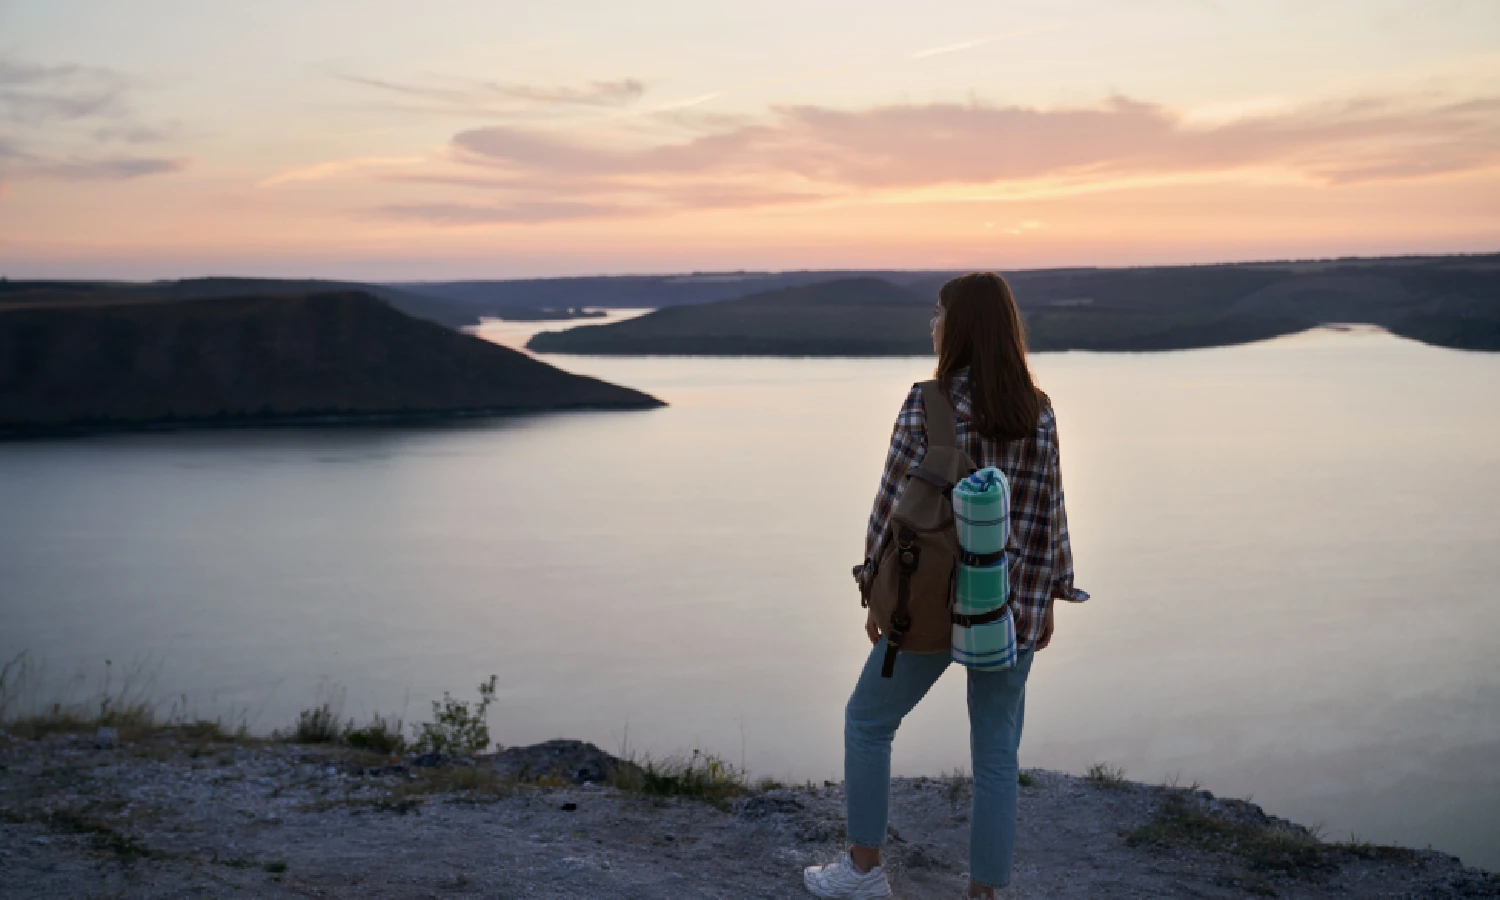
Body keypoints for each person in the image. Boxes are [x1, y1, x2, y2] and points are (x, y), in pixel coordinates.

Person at [804, 272, 1088, 899]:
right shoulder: (1037, 410)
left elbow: (893, 508)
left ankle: (862, 872)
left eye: (937, 313)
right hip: (1007, 604)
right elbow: (1048, 512)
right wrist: (1047, 601)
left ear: (956, 327)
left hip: (928, 601)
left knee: (867, 722)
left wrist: (873, 589)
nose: (930, 324)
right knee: (994, 755)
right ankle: (984, 893)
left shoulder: (928, 402)